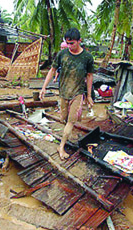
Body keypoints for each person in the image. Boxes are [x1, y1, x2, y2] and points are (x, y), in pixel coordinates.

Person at [39, 28, 94, 160]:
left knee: (71, 121)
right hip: (63, 92)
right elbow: (52, 70)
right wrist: (44, 87)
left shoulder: (87, 57)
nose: (69, 46)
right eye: (67, 43)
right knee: (64, 119)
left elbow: (90, 76)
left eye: (72, 43)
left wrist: (89, 95)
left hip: (77, 93)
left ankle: (61, 147)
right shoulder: (62, 54)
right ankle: (66, 135)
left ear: (79, 41)